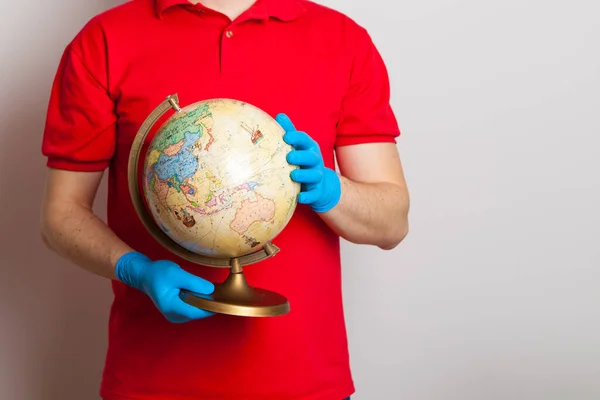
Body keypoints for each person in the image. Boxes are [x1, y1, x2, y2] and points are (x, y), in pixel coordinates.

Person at [39, 0, 410, 398]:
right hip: (152, 384)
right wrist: (135, 270)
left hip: (306, 385)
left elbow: (391, 223)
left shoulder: (342, 40)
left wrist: (331, 190)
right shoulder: (104, 41)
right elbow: (61, 214)